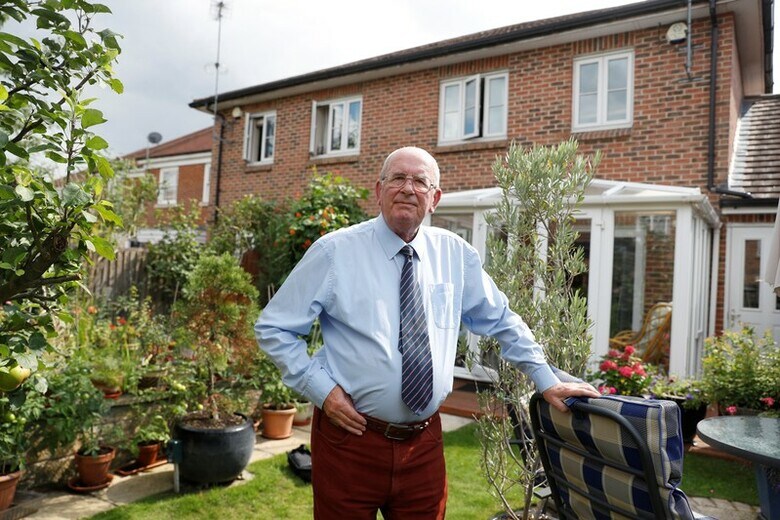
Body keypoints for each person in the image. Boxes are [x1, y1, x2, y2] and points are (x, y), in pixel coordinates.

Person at [255, 146, 600, 519]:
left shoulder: (455, 254)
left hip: (424, 444)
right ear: (378, 190)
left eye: (420, 181)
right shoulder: (335, 252)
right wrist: (323, 391)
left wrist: (545, 379)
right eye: (398, 178)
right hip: (348, 440)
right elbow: (275, 328)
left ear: (434, 198)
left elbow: (501, 319)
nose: (408, 188)